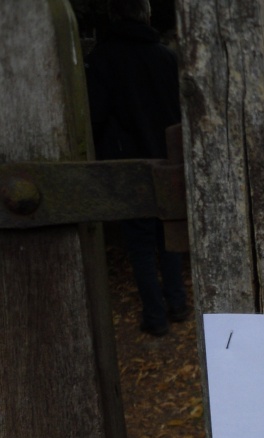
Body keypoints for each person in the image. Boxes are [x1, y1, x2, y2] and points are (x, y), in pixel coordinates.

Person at [86, 0, 189, 336]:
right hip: (165, 157)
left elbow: (96, 115)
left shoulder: (103, 60)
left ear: (114, 15)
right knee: (168, 233)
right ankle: (177, 304)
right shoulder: (165, 57)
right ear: (146, 15)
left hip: (127, 164)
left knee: (141, 242)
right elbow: (178, 110)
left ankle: (155, 317)